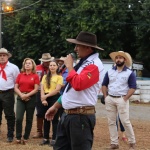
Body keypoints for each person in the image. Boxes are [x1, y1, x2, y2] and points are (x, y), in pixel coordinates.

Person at [45, 31, 105, 150]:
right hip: (69, 115)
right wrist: (56, 106)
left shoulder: (94, 65)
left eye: (78, 45)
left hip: (80, 116)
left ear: (88, 47)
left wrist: (70, 67)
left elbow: (78, 84)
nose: (75, 48)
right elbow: (70, 90)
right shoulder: (83, 63)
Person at [102, 51, 136, 150]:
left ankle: (132, 143)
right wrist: (105, 97)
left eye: (121, 58)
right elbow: (104, 84)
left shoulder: (129, 73)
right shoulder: (109, 72)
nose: (118, 59)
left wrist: (125, 99)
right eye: (117, 58)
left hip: (122, 98)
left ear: (124, 60)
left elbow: (133, 87)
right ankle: (114, 143)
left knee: (125, 121)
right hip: (110, 98)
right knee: (111, 122)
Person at [14, 58, 40, 144]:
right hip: (20, 98)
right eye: (26, 63)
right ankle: (18, 137)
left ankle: (26, 137)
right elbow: (15, 87)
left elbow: (36, 89)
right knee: (18, 118)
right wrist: (22, 95)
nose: (27, 65)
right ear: (24, 65)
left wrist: (27, 95)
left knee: (29, 119)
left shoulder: (35, 76)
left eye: (29, 63)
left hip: (31, 98)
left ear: (32, 65)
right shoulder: (20, 75)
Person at [40, 60, 63, 146]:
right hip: (45, 98)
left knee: (54, 119)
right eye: (50, 65)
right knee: (45, 118)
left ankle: (54, 138)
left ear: (57, 67)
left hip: (54, 98)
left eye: (54, 65)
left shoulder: (59, 77)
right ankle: (45, 138)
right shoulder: (44, 76)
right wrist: (43, 99)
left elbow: (57, 90)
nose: (52, 67)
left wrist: (46, 96)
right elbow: (42, 88)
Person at [0, 48, 20, 142]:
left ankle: (10, 134)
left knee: (9, 115)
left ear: (7, 56)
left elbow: (17, 81)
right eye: (0, 55)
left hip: (8, 93)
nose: (2, 57)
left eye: (4, 55)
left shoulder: (13, 67)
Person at [33, 53, 54, 138]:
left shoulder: (53, 67)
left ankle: (53, 132)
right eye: (45, 61)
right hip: (39, 92)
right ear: (42, 61)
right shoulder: (37, 68)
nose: (47, 63)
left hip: (51, 92)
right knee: (40, 112)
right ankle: (39, 131)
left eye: (48, 61)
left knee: (52, 111)